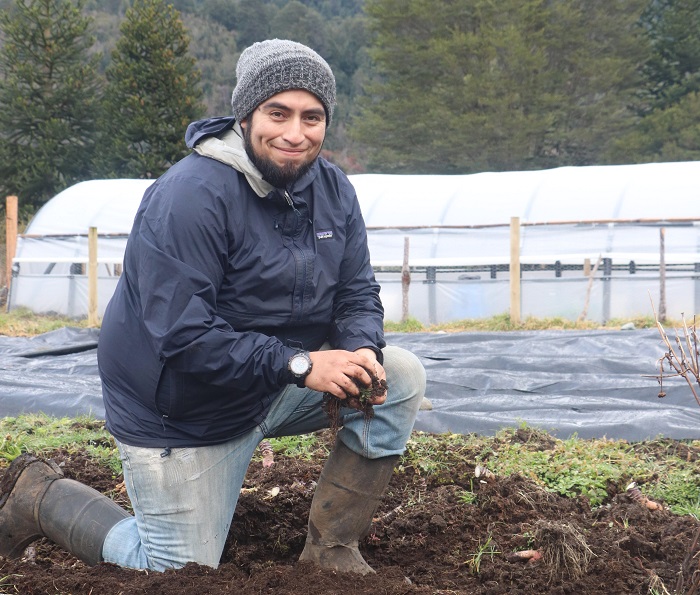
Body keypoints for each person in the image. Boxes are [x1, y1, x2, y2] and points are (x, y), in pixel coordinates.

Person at [0, 39, 426, 575]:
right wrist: (303, 364)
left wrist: (360, 348)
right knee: (176, 570)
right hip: (185, 410)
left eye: (312, 117)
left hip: (270, 382)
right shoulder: (190, 196)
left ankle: (331, 552)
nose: (296, 133)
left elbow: (356, 290)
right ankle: (41, 497)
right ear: (246, 115)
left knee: (398, 375)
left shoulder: (332, 188)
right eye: (279, 113)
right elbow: (183, 336)